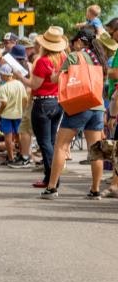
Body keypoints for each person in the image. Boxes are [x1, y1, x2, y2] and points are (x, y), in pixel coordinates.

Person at [41, 32, 107, 200]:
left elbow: (57, 78)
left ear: (79, 42)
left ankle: (52, 187)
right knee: (95, 149)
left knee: (61, 145)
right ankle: (95, 189)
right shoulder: (99, 57)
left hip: (79, 104)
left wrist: (53, 73)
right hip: (97, 106)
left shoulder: (75, 56)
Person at [14, 26, 67, 190]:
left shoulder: (43, 61)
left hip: (42, 102)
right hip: (57, 102)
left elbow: (34, 84)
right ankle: (49, 177)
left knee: (44, 143)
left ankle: (52, 178)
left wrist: (20, 77)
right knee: (50, 141)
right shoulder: (63, 57)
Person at [0, 64, 28, 165]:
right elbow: (25, 99)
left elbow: (4, 103)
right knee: (19, 136)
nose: (0, 76)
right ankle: (22, 155)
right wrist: (22, 109)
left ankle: (10, 157)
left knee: (8, 137)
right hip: (18, 114)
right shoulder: (19, 84)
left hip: (7, 115)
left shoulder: (3, 87)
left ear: (5, 75)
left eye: (1, 74)